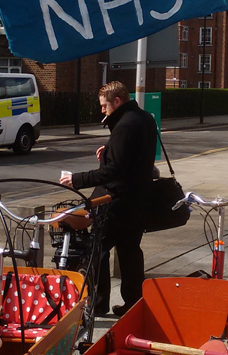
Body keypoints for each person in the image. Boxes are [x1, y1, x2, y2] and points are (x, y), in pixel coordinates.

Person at [60, 81, 157, 317]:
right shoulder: (145, 118)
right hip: (139, 199)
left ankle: (99, 303)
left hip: (118, 201)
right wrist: (110, 150)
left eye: (105, 106)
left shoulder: (124, 125)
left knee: (98, 249)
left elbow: (115, 171)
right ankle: (133, 303)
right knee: (130, 252)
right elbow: (133, 156)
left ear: (117, 101)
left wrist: (77, 179)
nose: (102, 111)